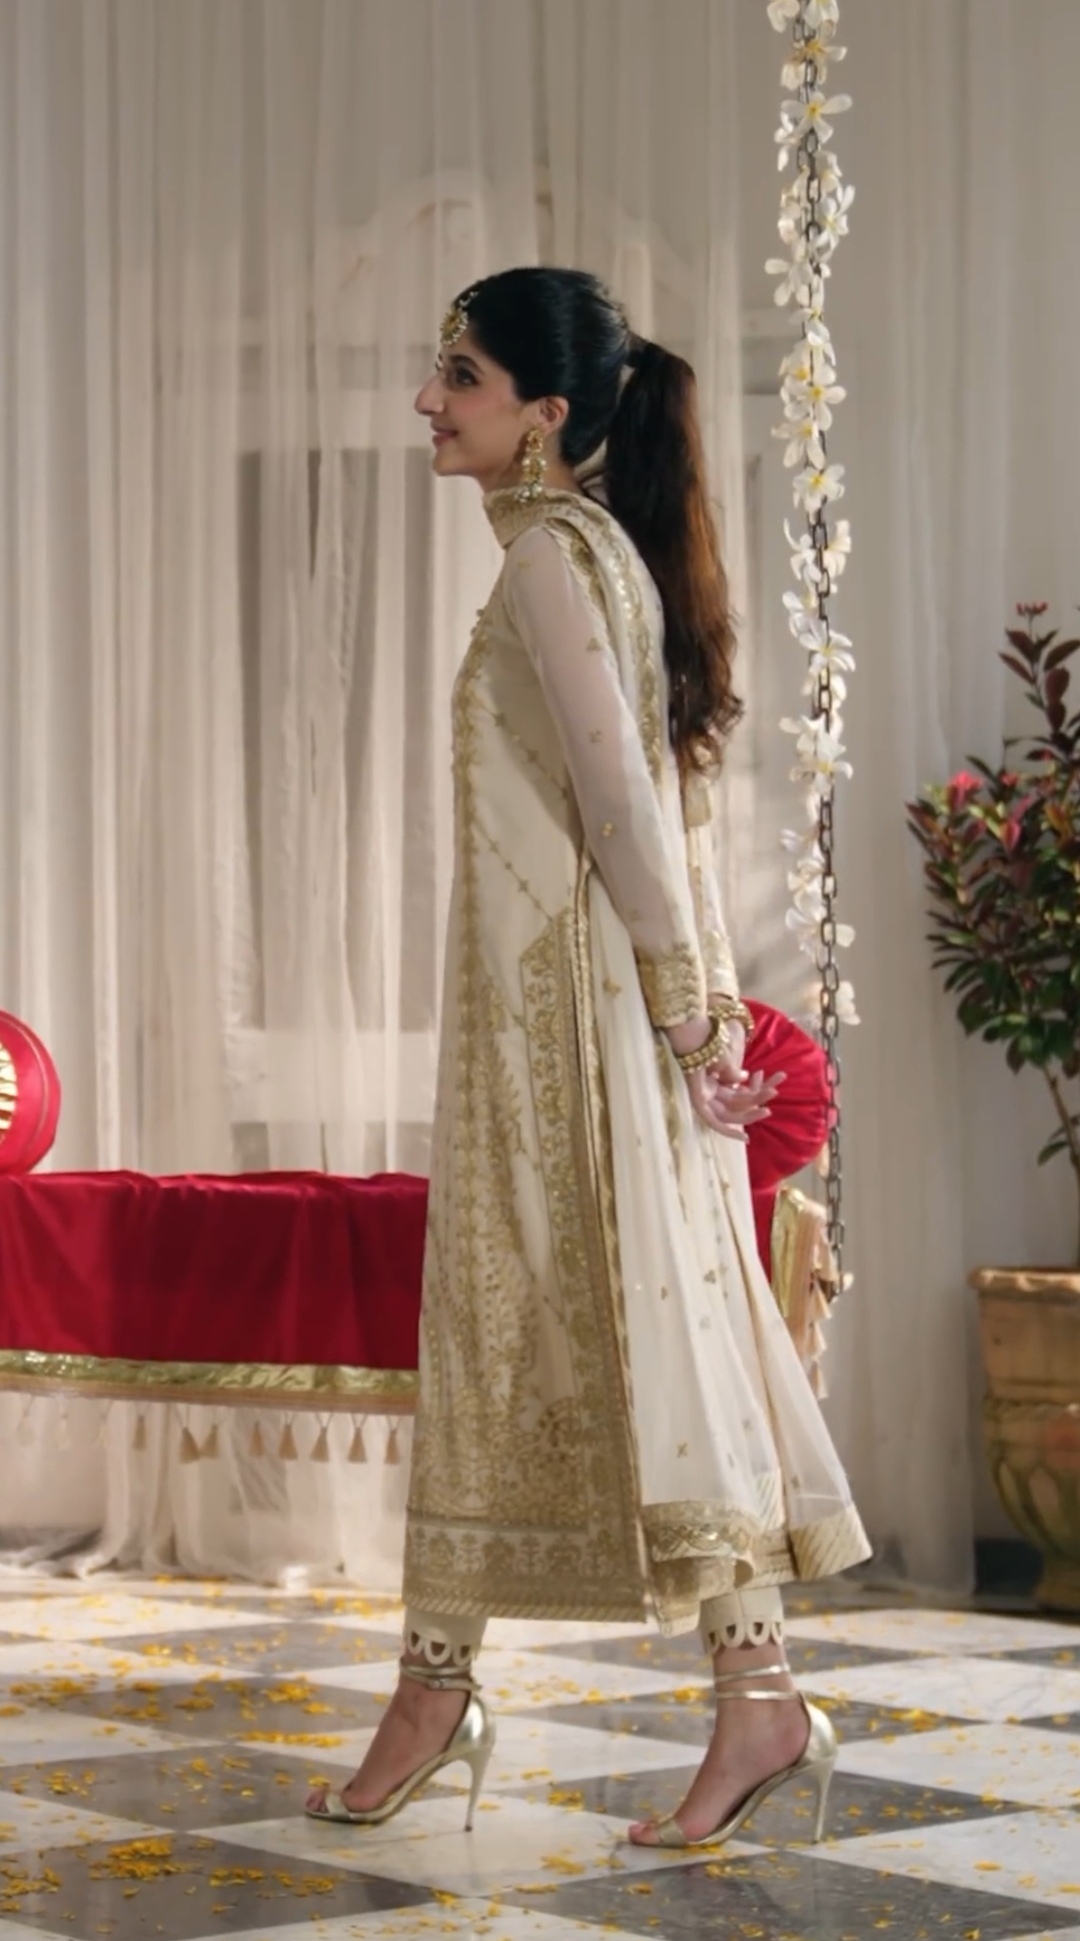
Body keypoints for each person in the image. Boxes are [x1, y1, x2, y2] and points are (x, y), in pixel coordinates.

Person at [306, 267, 869, 1847]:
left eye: (461, 378)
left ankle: (456, 1694)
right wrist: (685, 1018)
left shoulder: (560, 556)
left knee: (548, 1336)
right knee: (608, 1336)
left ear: (546, 414)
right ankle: (724, 1693)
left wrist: (689, 1023)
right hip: (569, 1011)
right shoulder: (588, 552)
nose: (429, 402)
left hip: (567, 1026)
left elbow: (627, 806)